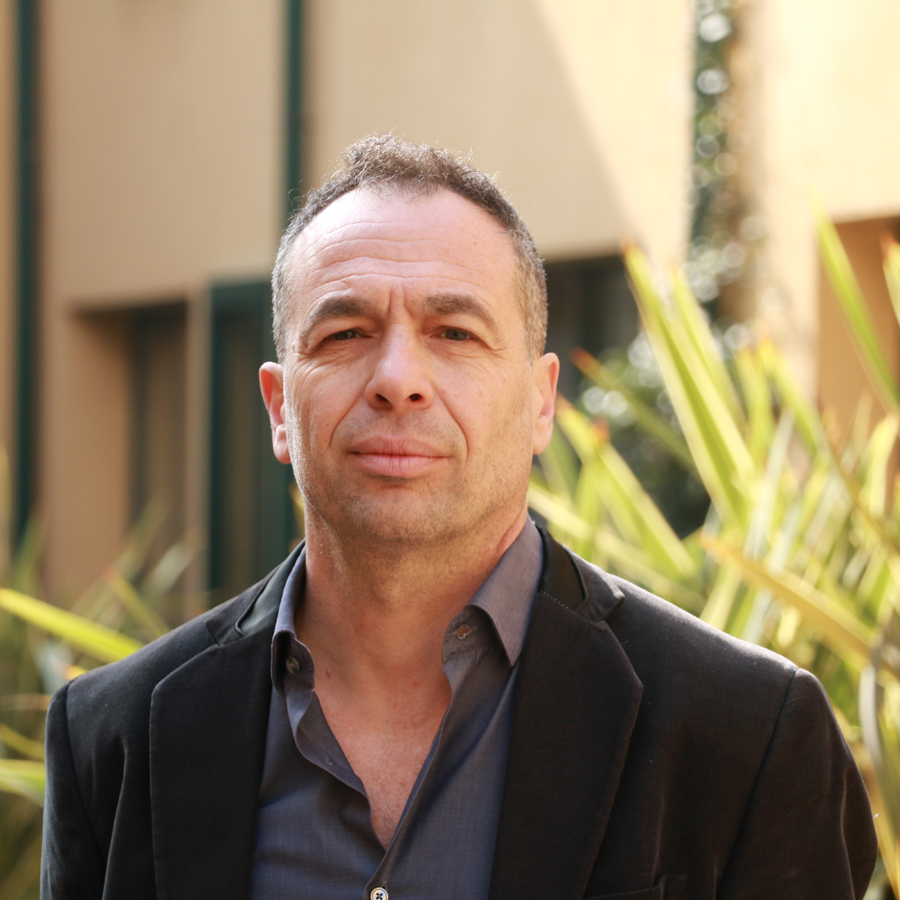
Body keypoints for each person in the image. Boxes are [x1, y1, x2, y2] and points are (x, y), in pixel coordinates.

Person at [41, 135, 877, 900]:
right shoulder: (113, 738)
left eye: (454, 333)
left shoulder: (744, 736)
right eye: (345, 333)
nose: (397, 379)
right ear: (278, 408)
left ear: (540, 402)